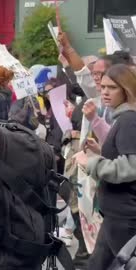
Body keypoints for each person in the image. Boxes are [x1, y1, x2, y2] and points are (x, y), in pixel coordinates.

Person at [73, 64, 136, 270]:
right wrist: (100, 151)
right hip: (115, 213)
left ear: (126, 90)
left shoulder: (128, 120)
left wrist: (91, 162)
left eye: (113, 87)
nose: (105, 92)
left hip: (123, 214)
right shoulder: (123, 118)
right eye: (104, 87)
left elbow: (130, 168)